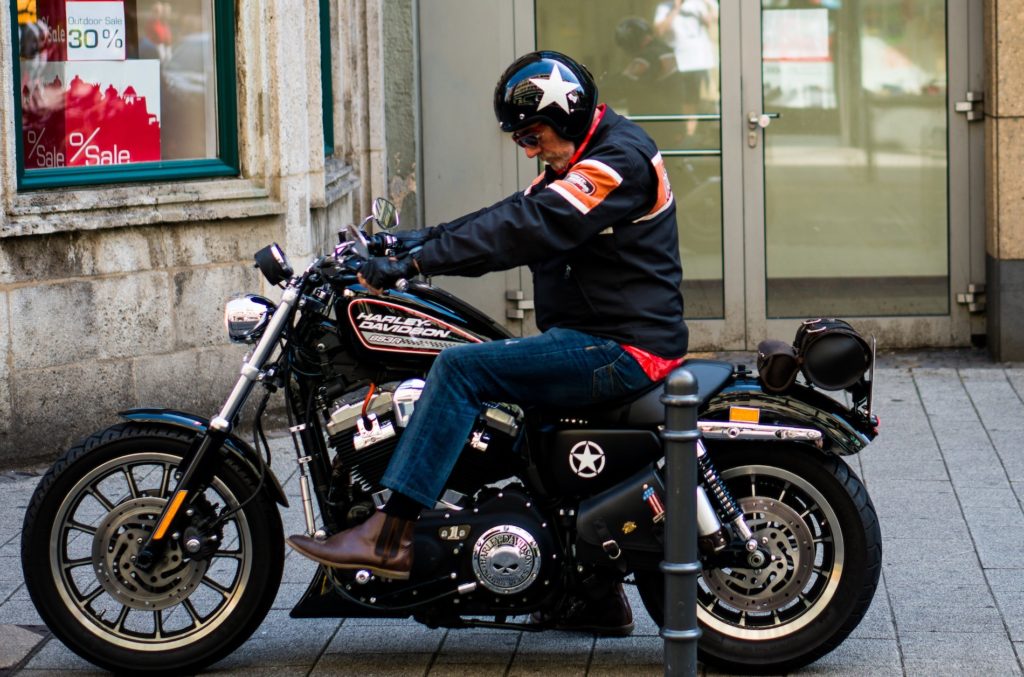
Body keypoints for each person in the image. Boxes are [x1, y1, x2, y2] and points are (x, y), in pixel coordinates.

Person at [287, 50, 687, 635]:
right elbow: (508, 215)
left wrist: (420, 261)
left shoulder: (615, 162)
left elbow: (528, 228)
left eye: (533, 134)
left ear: (568, 113)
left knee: (460, 369)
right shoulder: (583, 155)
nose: (528, 147)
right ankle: (591, 597)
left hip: (620, 347)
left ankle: (390, 533)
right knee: (517, 428)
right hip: (595, 335)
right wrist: (406, 244)